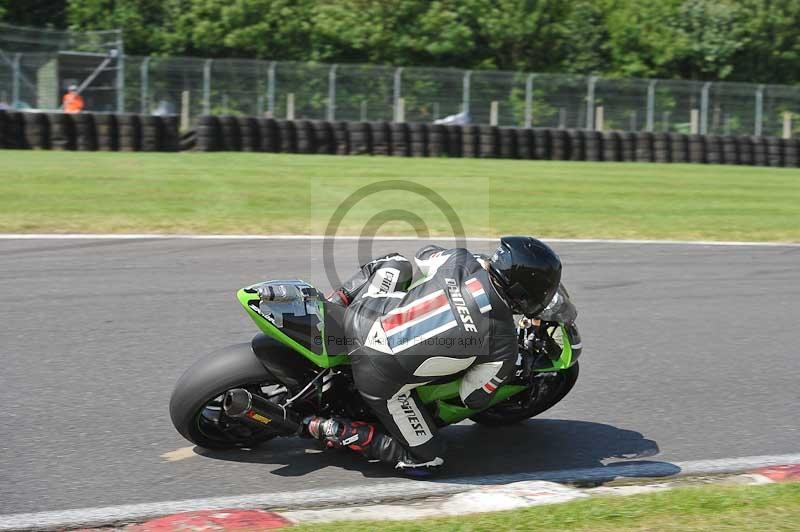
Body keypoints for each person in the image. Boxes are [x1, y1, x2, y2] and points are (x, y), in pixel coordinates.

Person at [304, 236, 562, 475]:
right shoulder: (505, 345)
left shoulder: (461, 260)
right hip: (376, 376)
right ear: (525, 291)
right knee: (428, 459)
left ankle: (333, 305)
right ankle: (336, 430)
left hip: (361, 314)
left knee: (396, 262)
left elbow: (424, 254)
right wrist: (503, 372)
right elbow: (472, 398)